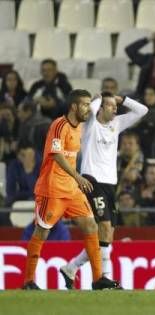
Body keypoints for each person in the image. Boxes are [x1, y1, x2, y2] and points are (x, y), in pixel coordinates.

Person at [22, 89, 120, 290]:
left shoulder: (80, 127)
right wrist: (77, 176)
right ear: (74, 106)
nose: (88, 109)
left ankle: (98, 279)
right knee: (42, 232)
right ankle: (29, 280)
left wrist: (100, 98)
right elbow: (56, 154)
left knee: (92, 226)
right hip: (52, 189)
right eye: (84, 105)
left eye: (88, 104)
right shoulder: (59, 125)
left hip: (72, 190)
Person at [59, 92, 148, 288]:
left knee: (106, 235)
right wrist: (99, 98)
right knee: (105, 227)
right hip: (92, 180)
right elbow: (91, 109)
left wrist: (121, 98)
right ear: (100, 108)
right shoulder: (90, 125)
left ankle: (71, 268)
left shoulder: (116, 124)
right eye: (110, 105)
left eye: (115, 106)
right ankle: (105, 278)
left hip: (110, 184)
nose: (114, 108)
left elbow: (143, 110)